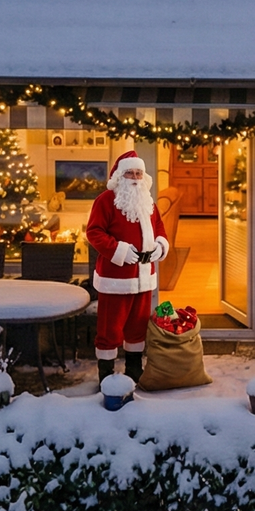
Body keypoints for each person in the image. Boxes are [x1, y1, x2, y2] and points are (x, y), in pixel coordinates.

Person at [83, 150, 169, 381]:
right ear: (120, 176)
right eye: (129, 173)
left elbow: (159, 227)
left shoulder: (148, 201)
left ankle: (134, 369)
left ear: (144, 176)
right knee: (110, 329)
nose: (134, 177)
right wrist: (119, 250)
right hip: (116, 278)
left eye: (138, 173)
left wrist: (160, 245)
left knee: (137, 326)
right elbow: (94, 232)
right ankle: (106, 374)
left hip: (144, 276)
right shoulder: (106, 200)